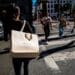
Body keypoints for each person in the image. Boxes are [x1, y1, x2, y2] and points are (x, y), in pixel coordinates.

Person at [9, 6, 33, 75]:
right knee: (26, 67)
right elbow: (31, 34)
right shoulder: (25, 23)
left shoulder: (9, 23)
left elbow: (6, 36)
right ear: (19, 13)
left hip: (15, 50)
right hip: (25, 49)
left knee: (17, 71)